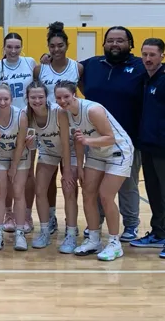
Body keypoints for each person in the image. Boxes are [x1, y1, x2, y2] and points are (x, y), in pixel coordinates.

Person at [55, 80, 134, 261]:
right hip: (97, 153)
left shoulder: (93, 110)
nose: (62, 100)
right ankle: (94, 239)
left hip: (118, 151)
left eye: (66, 96)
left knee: (105, 196)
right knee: (88, 194)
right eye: (58, 97)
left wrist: (87, 142)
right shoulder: (64, 113)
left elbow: (110, 138)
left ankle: (114, 243)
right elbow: (77, 140)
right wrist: (80, 165)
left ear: (74, 94)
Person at [79, 27, 145, 242]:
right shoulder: (91, 65)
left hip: (128, 139)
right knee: (95, 184)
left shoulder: (139, 66)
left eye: (120, 40)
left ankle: (131, 225)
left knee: (127, 184)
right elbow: (74, 77)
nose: (114, 44)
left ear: (130, 44)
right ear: (104, 44)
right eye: (110, 41)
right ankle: (96, 223)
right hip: (95, 138)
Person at [35, 22, 83, 235]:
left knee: (69, 177)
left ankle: (70, 222)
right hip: (47, 129)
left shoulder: (77, 67)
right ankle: (51, 217)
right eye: (52, 46)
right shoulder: (40, 68)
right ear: (48, 47)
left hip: (71, 127)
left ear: (67, 45)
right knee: (49, 179)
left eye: (60, 45)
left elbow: (82, 96)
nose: (56, 49)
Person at [26, 81, 78, 254]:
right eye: (33, 97)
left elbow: (65, 141)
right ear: (27, 98)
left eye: (40, 97)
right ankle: (45, 230)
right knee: (40, 190)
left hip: (68, 151)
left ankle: (71, 233)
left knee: (69, 189)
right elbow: (32, 144)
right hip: (48, 152)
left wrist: (68, 170)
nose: (37, 100)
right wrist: (31, 144)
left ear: (46, 97)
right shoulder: (27, 115)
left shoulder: (58, 112)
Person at [0, 32, 36, 234]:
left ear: (21, 47)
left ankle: (26, 214)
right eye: (9, 47)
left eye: (16, 47)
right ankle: (8, 213)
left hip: (27, 121)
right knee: (6, 173)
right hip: (4, 124)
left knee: (27, 172)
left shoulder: (30, 62)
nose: (13, 50)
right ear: (3, 47)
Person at [0, 84, 32, 252]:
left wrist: (13, 166)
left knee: (18, 191)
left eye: (6, 99)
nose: (3, 102)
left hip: (19, 156)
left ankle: (20, 233)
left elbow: (20, 144)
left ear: (12, 100)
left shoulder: (21, 115)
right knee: (0, 191)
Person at [130, 38, 165, 257]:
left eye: (152, 55)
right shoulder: (145, 79)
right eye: (144, 54)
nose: (148, 59)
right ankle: (159, 232)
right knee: (154, 192)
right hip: (148, 145)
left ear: (162, 55)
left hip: (163, 147)